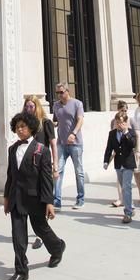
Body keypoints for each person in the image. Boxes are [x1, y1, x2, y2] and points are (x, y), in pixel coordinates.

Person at [3, 112, 65, 280]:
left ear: (30, 128)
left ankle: (57, 248)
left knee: (41, 229)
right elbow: (10, 175)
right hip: (16, 197)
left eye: (23, 126)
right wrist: (7, 197)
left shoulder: (41, 150)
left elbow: (46, 178)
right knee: (18, 235)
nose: (20, 130)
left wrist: (49, 202)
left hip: (35, 198)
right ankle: (21, 270)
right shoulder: (12, 149)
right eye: (17, 127)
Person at [22, 95, 58, 249]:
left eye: (31, 106)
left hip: (44, 166)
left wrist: (55, 164)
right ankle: (41, 232)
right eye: (27, 107)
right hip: (30, 168)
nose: (29, 109)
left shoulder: (46, 123)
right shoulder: (26, 125)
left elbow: (53, 145)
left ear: (37, 107)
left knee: (44, 198)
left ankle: (41, 235)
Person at [53, 82, 85, 210]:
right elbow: (56, 120)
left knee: (79, 172)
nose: (59, 95)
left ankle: (80, 198)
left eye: (61, 92)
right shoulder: (56, 105)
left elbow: (80, 120)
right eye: (57, 93)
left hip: (75, 143)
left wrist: (74, 133)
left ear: (67, 91)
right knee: (58, 171)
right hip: (61, 143)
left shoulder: (77, 103)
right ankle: (57, 200)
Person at [103, 111, 137, 224]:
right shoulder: (112, 133)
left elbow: (133, 144)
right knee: (124, 188)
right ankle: (131, 206)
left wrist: (126, 132)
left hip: (128, 163)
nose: (119, 125)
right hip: (118, 163)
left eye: (121, 122)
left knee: (127, 187)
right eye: (117, 122)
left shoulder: (131, 132)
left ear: (126, 122)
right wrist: (106, 161)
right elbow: (109, 148)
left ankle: (127, 213)